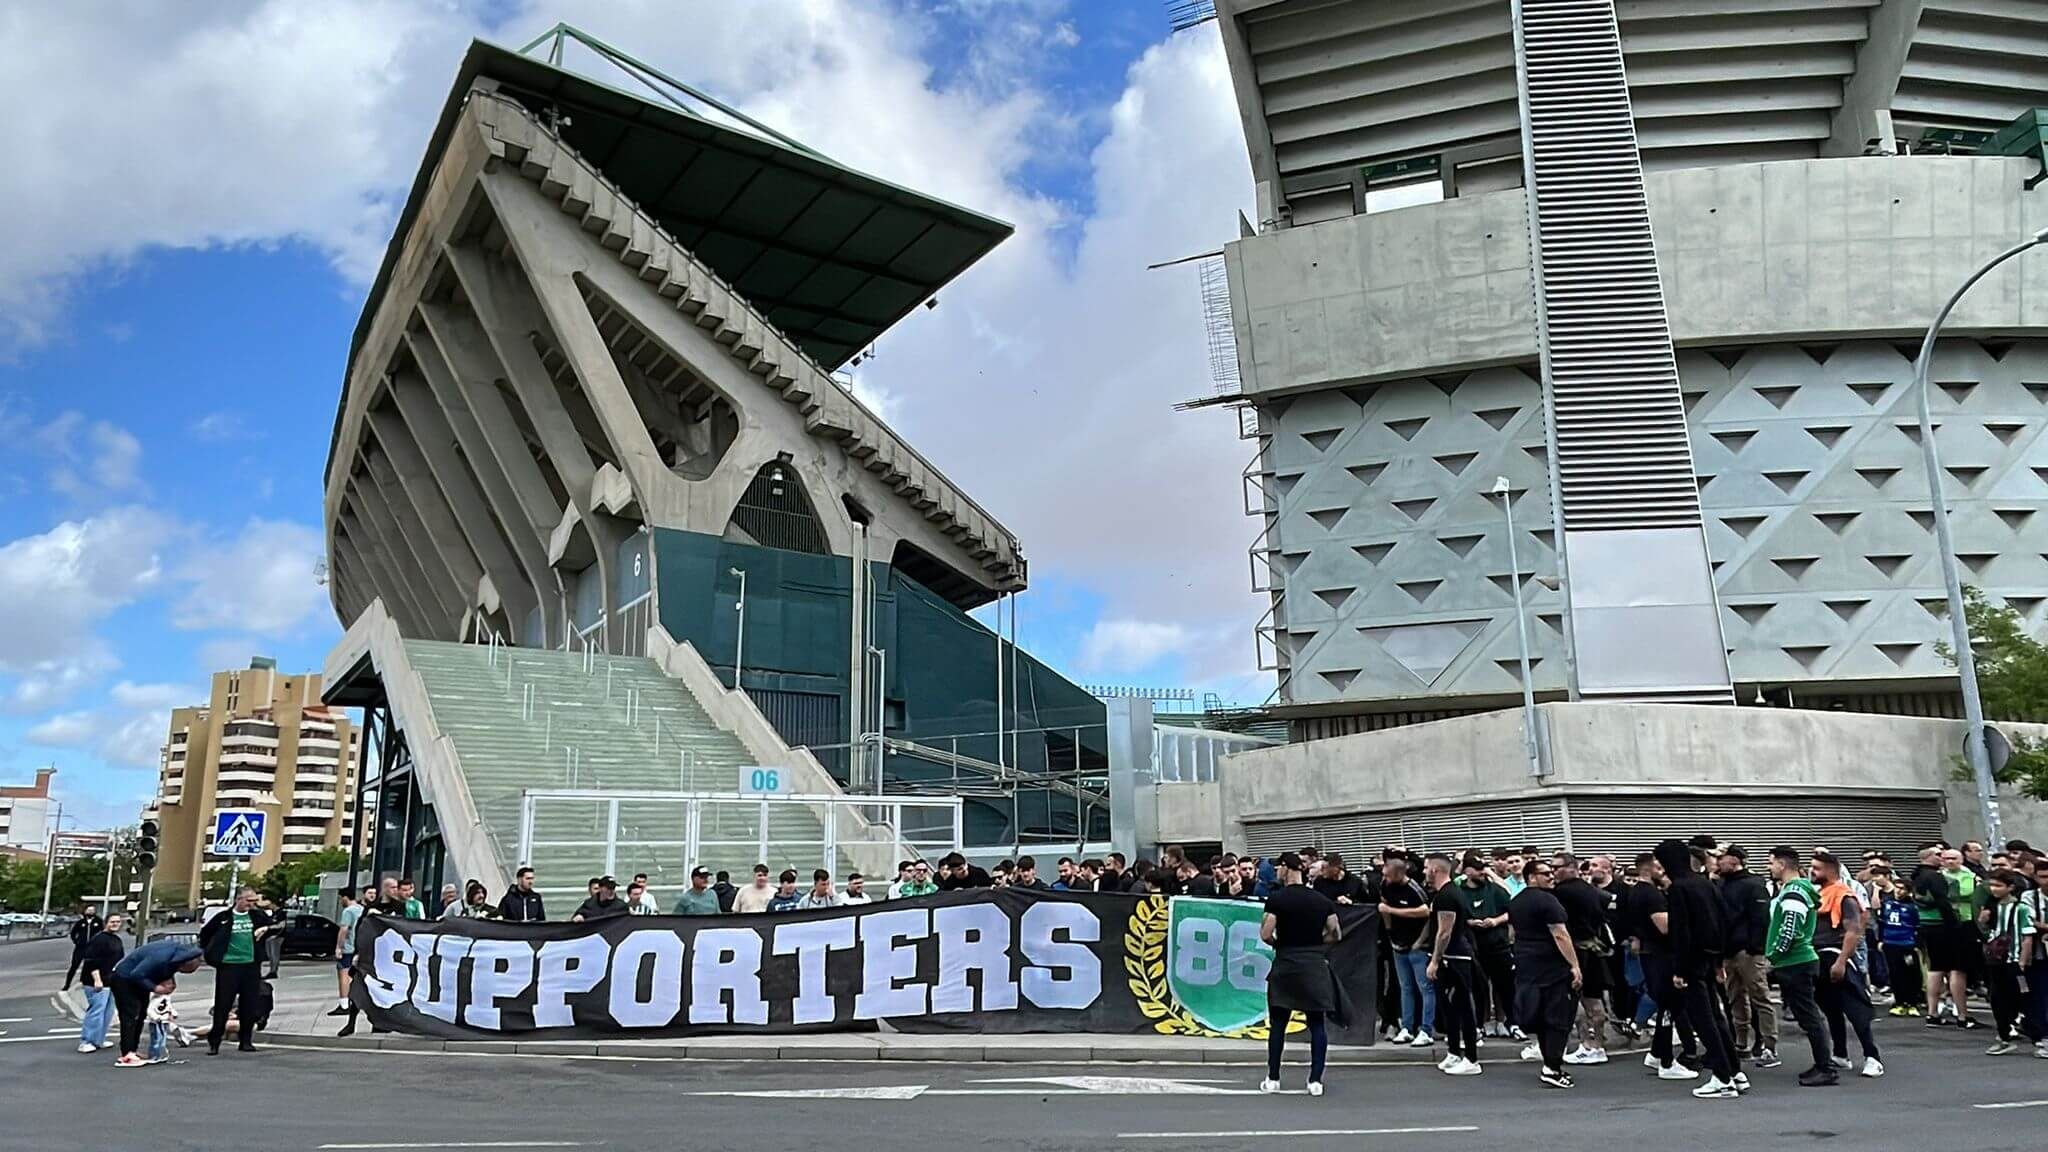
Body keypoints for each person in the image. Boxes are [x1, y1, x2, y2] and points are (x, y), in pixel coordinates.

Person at [1656, 839, 1743, 1098]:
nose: (1658, 868)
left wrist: (1679, 970)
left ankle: (1722, 1077)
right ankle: (1735, 1071)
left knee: (1703, 1020)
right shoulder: (1706, 884)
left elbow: (1681, 933)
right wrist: (1718, 962)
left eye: (1660, 862)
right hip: (1710, 958)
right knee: (1716, 1017)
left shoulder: (1679, 889)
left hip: (1691, 961)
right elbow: (1723, 922)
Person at [1259, 852, 1342, 1097]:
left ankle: (1273, 1078)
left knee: (1278, 1024)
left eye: (1278, 868)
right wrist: (1315, 943)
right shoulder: (1321, 900)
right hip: (1314, 964)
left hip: (1286, 964)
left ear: (1286, 868)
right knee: (1317, 1023)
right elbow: (1336, 933)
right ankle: (1315, 1081)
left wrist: (1280, 944)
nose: (1276, 872)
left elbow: (1265, 933)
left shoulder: (1276, 899)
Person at [1766, 847, 1837, 1087]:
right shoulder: (1796, 889)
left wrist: (1775, 953)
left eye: (1771, 862)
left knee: (1809, 1016)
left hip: (1795, 961)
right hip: (1797, 960)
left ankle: (1825, 1067)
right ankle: (1822, 1064)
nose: (1769, 867)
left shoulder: (1794, 891)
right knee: (1808, 1015)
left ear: (1783, 865)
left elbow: (1790, 927)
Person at [1510, 857, 1582, 1089]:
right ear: (1532, 877)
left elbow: (1512, 934)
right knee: (1557, 1019)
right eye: (1545, 874)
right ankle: (1552, 1067)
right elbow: (1560, 934)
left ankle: (1550, 1062)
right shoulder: (1547, 901)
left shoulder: (1516, 901)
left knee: (1541, 1019)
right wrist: (1574, 965)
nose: (1551, 877)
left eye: (1552, 873)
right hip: (1551, 968)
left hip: (1527, 966)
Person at [1809, 849, 1882, 1078]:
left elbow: (1853, 930)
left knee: (1855, 1009)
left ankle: (1873, 1057)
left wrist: (1842, 961)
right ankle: (1840, 1054)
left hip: (1837, 956)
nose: (1812, 871)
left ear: (1831, 871)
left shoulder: (1844, 894)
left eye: (1817, 868)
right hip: (1819, 956)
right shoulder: (1820, 893)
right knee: (1831, 1009)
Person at [197, 887, 281, 1056]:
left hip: (250, 965)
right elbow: (205, 935)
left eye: (254, 902)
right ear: (239, 900)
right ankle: (215, 1042)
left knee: (249, 1004)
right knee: (223, 1004)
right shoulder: (224, 918)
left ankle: (246, 1040)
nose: (252, 905)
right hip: (228, 966)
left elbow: (279, 927)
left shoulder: (257, 916)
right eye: (249, 901)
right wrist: (213, 954)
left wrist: (266, 929)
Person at [1714, 845, 1778, 1066]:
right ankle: (1742, 1042)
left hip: (1747, 951)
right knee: (1735, 998)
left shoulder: (1753, 884)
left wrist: (1755, 948)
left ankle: (1769, 1045)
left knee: (1759, 995)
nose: (1717, 862)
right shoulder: (1721, 884)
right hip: (1728, 951)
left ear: (1734, 860)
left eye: (1721, 858)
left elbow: (1761, 918)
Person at [1550, 853, 1614, 1065]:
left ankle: (1587, 1043)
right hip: (1593, 948)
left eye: (1558, 867)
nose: (1553, 872)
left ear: (1571, 867)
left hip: (1574, 950)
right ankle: (1599, 1046)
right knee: (1594, 999)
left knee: (1575, 998)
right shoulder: (1593, 890)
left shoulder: (1561, 893)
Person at [1424, 853, 1483, 1075]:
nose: (1423, 871)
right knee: (1449, 1008)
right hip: (1450, 958)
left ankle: (1471, 1059)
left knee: (1463, 1007)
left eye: (1426, 867)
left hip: (1455, 958)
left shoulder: (1447, 896)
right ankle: (1453, 1051)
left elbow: (1444, 932)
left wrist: (1435, 960)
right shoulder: (1444, 894)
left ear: (1435, 871)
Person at [110, 937, 202, 1067]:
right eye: (183, 971)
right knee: (130, 1016)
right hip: (124, 978)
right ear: (184, 964)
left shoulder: (177, 955)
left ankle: (132, 1050)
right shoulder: (161, 958)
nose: (181, 972)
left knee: (141, 1014)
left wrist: (169, 982)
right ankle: (127, 1054)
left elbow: (167, 971)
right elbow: (136, 974)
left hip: (139, 980)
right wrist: (155, 988)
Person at [1454, 855, 1514, 1038]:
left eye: (1484, 868)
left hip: (1497, 944)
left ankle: (1502, 1021)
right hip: (1474, 946)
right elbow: (1454, 915)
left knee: (1502, 985)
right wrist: (1470, 922)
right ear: (1468, 871)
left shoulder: (1495, 889)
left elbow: (1510, 912)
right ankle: (1484, 1021)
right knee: (1480, 987)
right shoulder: (1459, 891)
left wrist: (1495, 921)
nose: (1482, 872)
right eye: (1478, 869)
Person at [1377, 853, 1433, 1046]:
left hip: (1417, 944)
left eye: (1389, 875)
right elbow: (1383, 903)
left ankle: (1426, 1029)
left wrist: (1392, 912)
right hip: (1397, 943)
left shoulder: (1414, 889)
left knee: (1424, 987)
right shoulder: (1386, 884)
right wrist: (1389, 929)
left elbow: (1426, 912)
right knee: (1405, 987)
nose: (1386, 878)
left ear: (1400, 873)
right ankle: (1407, 1027)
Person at [1982, 868, 2037, 1055]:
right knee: (1997, 997)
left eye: (1999, 885)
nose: (1994, 889)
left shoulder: (2020, 908)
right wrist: (1983, 920)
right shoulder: (1993, 906)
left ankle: (2034, 1034)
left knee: (2023, 995)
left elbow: (2027, 936)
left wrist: (2022, 960)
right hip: (1996, 960)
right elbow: (1989, 930)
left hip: (2014, 961)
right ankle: (2004, 1034)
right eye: (1992, 885)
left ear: (2011, 887)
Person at [75, 913, 125, 1053]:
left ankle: (99, 1039)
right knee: (96, 1010)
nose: (115, 924)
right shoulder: (98, 939)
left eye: (117, 922)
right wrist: (97, 979)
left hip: (110, 981)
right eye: (112, 922)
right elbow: (91, 960)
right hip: (96, 981)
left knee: (107, 1012)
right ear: (106, 923)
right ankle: (86, 1041)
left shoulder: (116, 939)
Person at [1877, 880, 1922, 1018]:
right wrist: (1880, 940)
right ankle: (1899, 1002)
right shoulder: (1887, 904)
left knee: (1911, 973)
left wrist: (1917, 944)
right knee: (1895, 974)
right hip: (1891, 943)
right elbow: (1881, 923)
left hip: (1907, 944)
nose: (1898, 891)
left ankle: (1913, 1003)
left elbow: (1918, 926)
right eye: (1897, 888)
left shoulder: (1913, 907)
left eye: (1902, 889)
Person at [331, 889, 364, 1016]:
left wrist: (339, 947)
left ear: (345, 897)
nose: (340, 901)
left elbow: (344, 929)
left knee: (343, 974)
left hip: (348, 947)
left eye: (340, 898)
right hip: (359, 947)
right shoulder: (361, 909)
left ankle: (344, 1004)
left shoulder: (348, 911)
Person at [63, 905, 105, 991]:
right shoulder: (81, 922)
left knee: (93, 966)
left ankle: (91, 983)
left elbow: (103, 932)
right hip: (81, 948)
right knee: (74, 966)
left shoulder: (98, 921)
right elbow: (73, 933)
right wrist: (77, 941)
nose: (90, 912)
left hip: (93, 949)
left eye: (92, 910)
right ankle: (67, 985)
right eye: (88, 910)